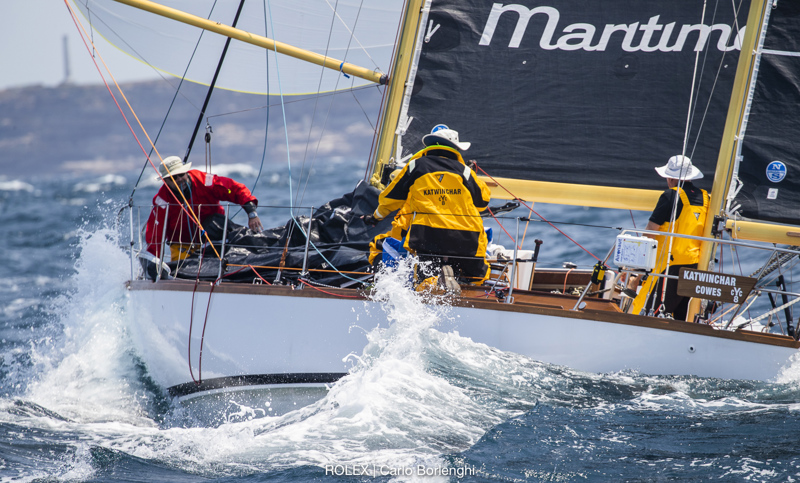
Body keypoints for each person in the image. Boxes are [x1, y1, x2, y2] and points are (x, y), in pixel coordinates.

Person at [363, 125, 492, 284]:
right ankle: (462, 281)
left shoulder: (415, 166)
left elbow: (390, 198)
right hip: (466, 237)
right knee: (477, 277)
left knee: (424, 279)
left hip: (428, 235)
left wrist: (375, 217)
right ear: (455, 149)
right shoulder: (465, 171)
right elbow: (482, 202)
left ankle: (436, 283)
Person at [632, 154, 709, 320]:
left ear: (671, 178)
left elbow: (650, 232)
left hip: (669, 266)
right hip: (695, 267)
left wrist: (636, 270)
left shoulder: (670, 195)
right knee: (683, 317)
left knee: (645, 313)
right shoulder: (706, 198)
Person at [144, 156, 262, 261]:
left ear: (186, 172)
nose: (179, 179)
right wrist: (154, 259)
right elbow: (155, 232)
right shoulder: (162, 201)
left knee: (216, 224)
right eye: (173, 177)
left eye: (181, 174)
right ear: (165, 181)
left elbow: (232, 190)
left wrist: (251, 212)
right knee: (179, 270)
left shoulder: (205, 181)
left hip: (214, 240)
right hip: (183, 246)